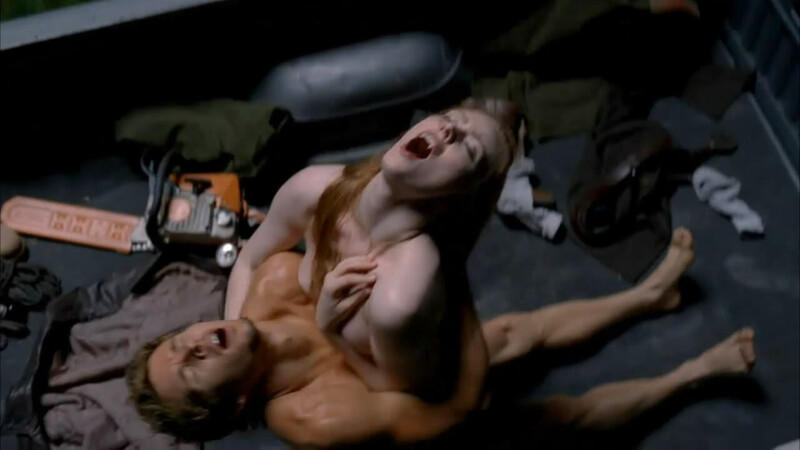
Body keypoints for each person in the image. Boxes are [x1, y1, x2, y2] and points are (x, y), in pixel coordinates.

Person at [126, 227, 757, 447]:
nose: (195, 345)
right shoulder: (315, 417)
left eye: (180, 342)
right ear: (236, 403)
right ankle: (696, 373)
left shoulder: (274, 282)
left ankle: (650, 294)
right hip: (439, 426)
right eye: (190, 369)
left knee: (515, 331)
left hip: (404, 361)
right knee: (564, 419)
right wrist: (451, 273)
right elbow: (458, 409)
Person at [223, 97, 522, 395]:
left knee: (507, 344)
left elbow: (398, 389)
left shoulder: (399, 295)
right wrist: (232, 362)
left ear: (460, 196)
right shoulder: (310, 189)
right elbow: (249, 261)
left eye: (470, 149)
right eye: (450, 118)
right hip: (359, 346)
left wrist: (331, 330)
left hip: (414, 375)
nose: (450, 129)